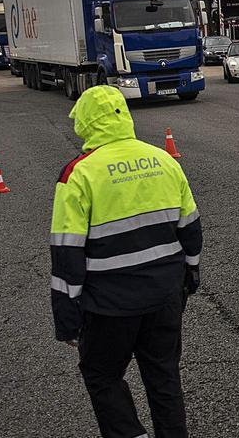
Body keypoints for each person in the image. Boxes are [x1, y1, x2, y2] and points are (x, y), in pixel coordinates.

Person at [50, 86, 203, 438]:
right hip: (164, 296)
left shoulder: (78, 174)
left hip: (109, 306)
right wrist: (190, 273)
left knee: (102, 375)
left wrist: (67, 318)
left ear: (86, 122)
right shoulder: (163, 160)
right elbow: (191, 229)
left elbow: (67, 253)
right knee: (164, 375)